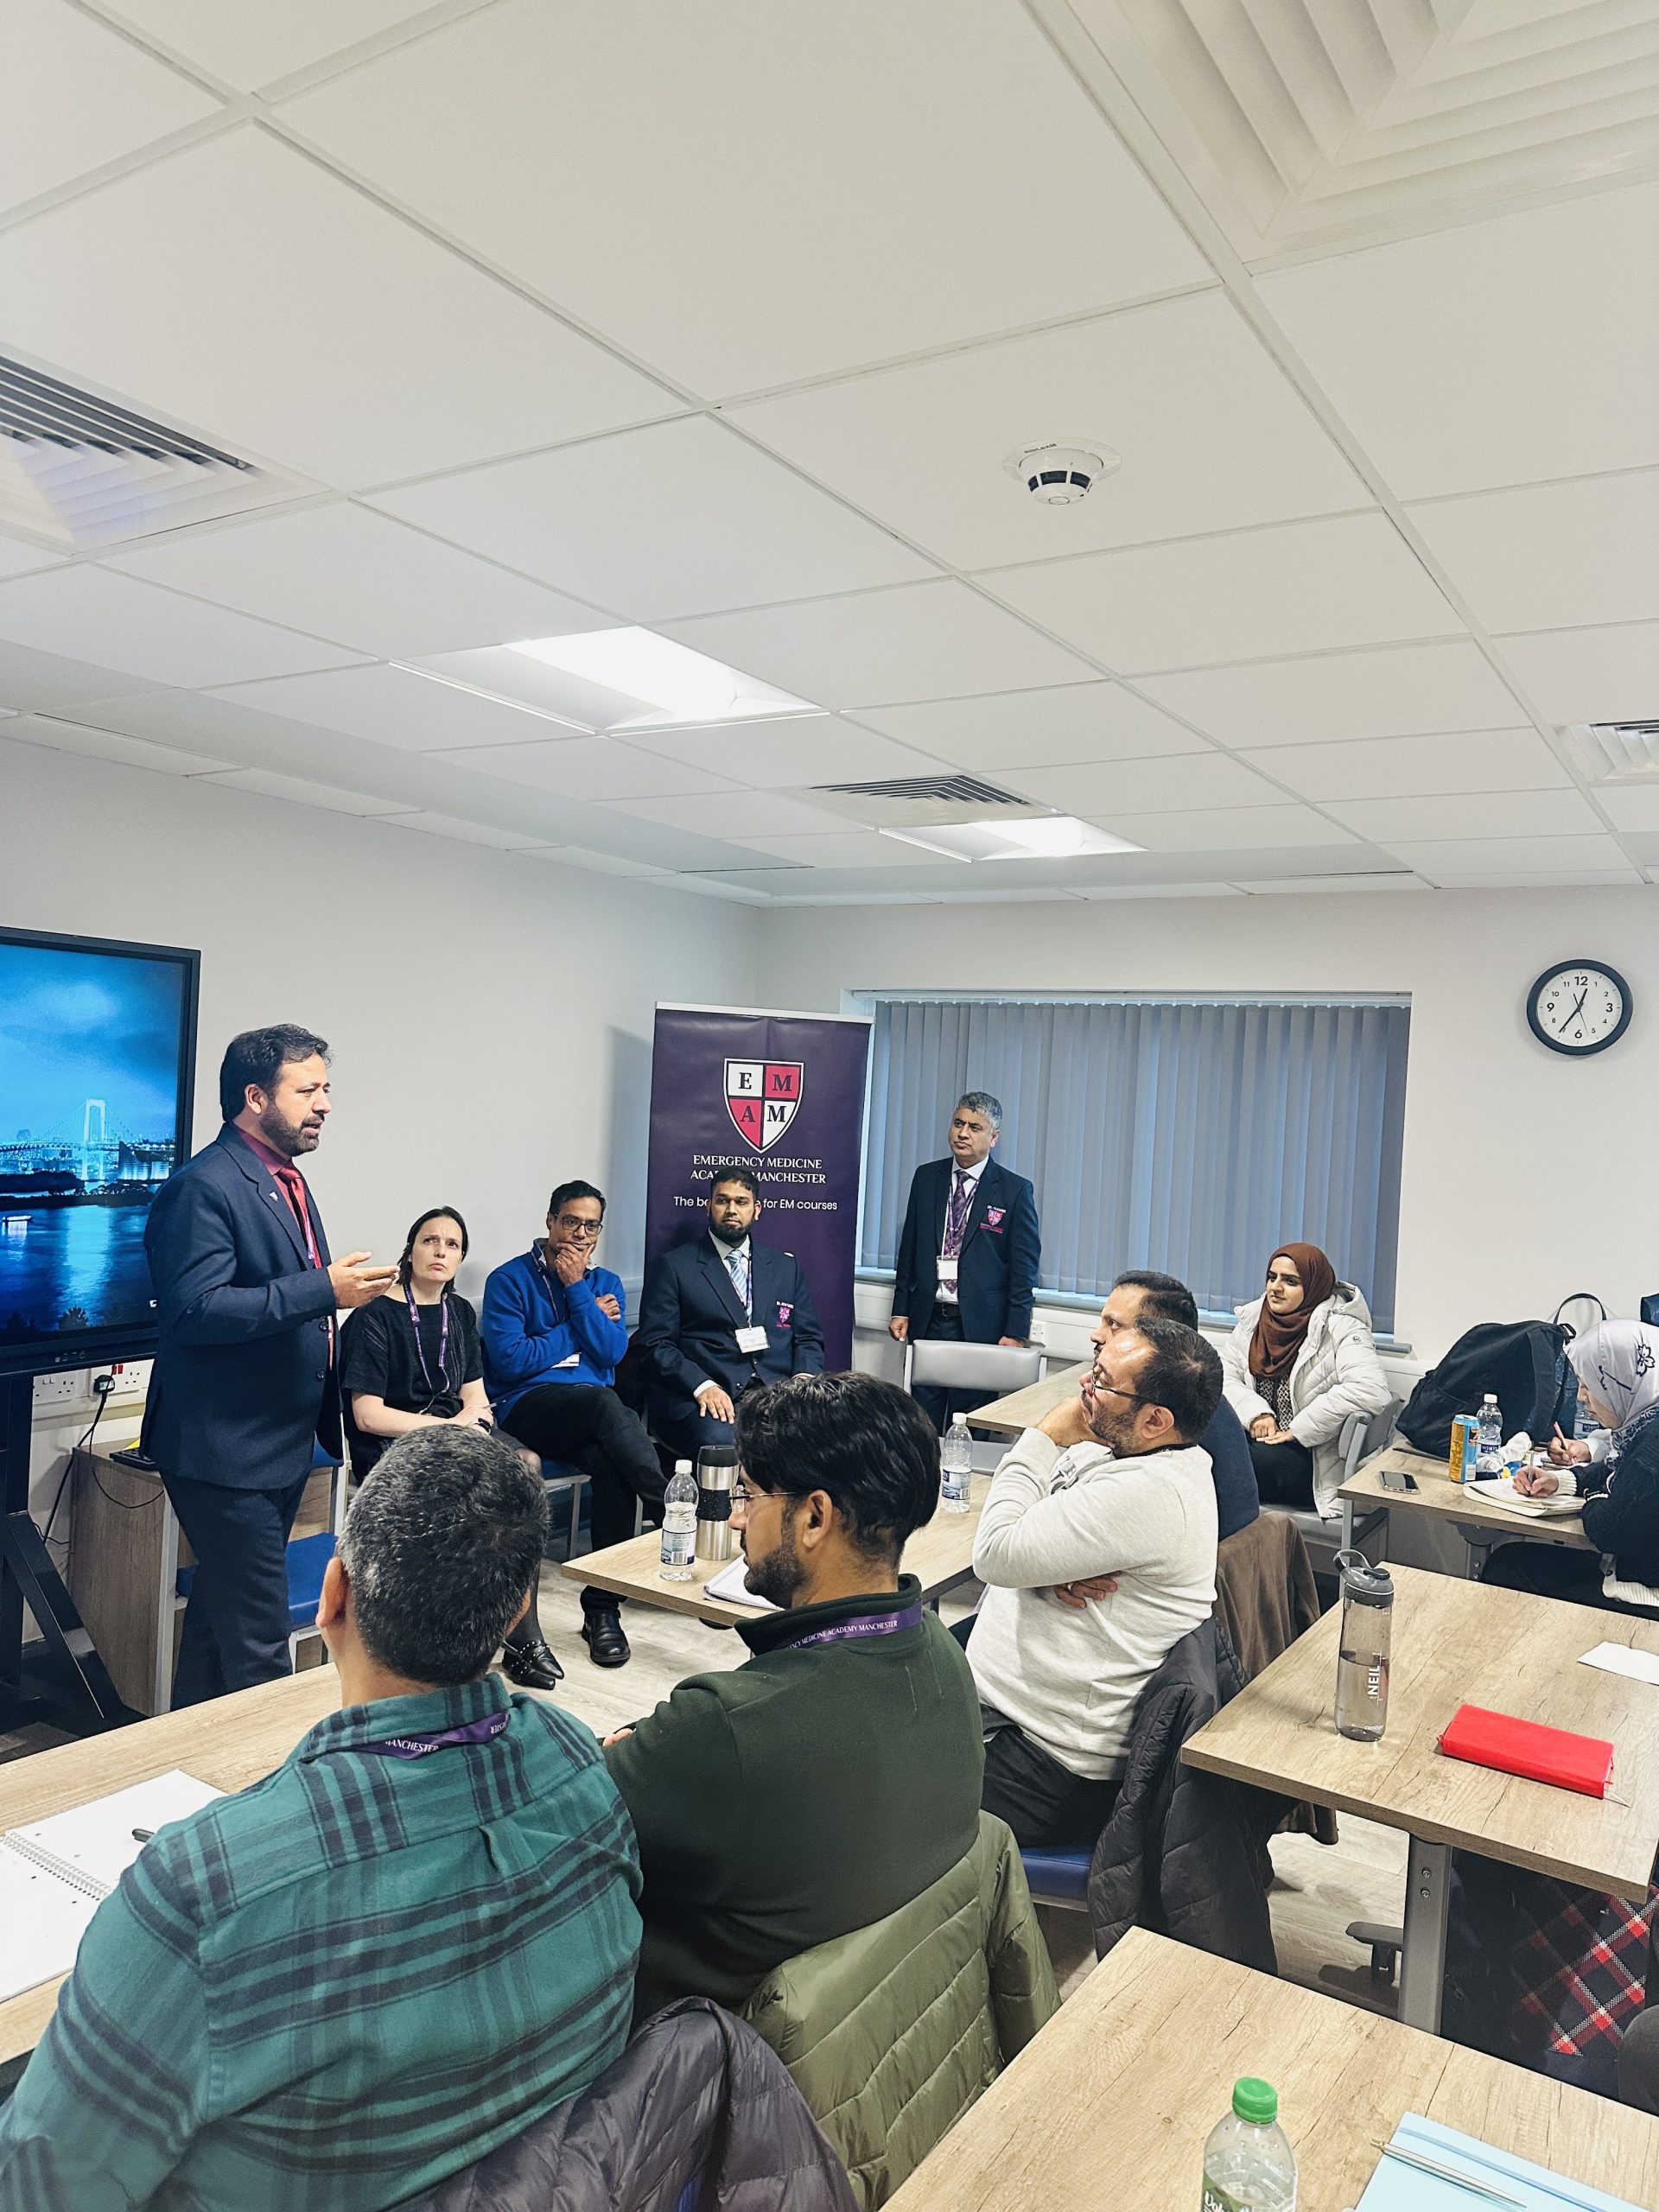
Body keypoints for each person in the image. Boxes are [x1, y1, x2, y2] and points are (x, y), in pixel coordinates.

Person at [0, 1427, 644, 2212]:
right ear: (516, 1615)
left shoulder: (201, 1892)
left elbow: (40, 2187)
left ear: (333, 1594)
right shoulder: (578, 1761)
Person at [603, 1371, 983, 2020]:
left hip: (684, 2043)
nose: (737, 1517)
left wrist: (647, 1749)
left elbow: (564, 1817)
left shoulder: (727, 1727)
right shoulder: (945, 1657)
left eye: (751, 1495)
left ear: (814, 1517)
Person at [141, 1024, 397, 1706]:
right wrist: (324, 1290)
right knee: (259, 1645)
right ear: (256, 1097)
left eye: (325, 1089)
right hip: (225, 1448)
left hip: (275, 1441)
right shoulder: (203, 1186)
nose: (325, 1104)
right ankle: (281, 1772)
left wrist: (330, 1293)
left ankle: (188, 1752)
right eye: (307, 1091)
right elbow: (194, 1311)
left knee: (217, 1624)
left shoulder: (285, 1177)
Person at [967, 1319, 1223, 1849]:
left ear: (1155, 1419)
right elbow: (1026, 1534)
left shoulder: (1151, 1491)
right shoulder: (1122, 1449)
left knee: (855, 1768)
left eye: (1104, 1382)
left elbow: (993, 1553)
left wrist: (1043, 1436)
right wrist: (1047, 1568)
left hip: (1041, 1765)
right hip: (1012, 1719)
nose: (1084, 1386)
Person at [339, 1205, 564, 1688]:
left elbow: (475, 1395)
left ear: (461, 1258)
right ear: (410, 1250)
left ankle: (521, 1633)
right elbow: (367, 1415)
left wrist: (474, 1425)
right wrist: (451, 1429)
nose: (440, 1251)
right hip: (394, 1444)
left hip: (457, 1432)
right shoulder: (373, 1316)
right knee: (462, 1498)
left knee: (525, 1464)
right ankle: (454, 1637)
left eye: (452, 1245)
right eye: (430, 1241)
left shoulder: (458, 1312)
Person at [480, 1180, 666, 1669]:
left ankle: (602, 1611)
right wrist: (578, 1323)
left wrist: (578, 1290)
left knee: (612, 1462)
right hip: (527, 1407)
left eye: (591, 1226)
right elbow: (513, 1361)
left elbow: (611, 1354)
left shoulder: (603, 1283)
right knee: (605, 1404)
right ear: (550, 1221)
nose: (581, 1234)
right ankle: (670, 1512)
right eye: (571, 1222)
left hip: (590, 1414)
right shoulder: (508, 1280)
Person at [635, 1166, 826, 1461]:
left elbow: (808, 1338)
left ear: (756, 1210)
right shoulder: (673, 1267)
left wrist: (801, 1384)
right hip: (705, 1395)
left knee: (827, 1440)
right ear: (708, 1206)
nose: (731, 1210)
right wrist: (702, 1386)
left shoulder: (785, 1267)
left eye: (741, 1202)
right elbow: (655, 1345)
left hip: (775, 1396)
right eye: (723, 1200)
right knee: (727, 1445)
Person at [1484, 1318, 1659, 1618]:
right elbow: (1617, 1475)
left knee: (1509, 1574)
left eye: (1590, 1385)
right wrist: (1561, 1481)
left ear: (1622, 1382)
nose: (1581, 1396)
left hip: (1642, 1599)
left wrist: (1594, 1496)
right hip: (1628, 1574)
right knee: (1507, 1562)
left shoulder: (1653, 1443)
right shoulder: (1644, 1425)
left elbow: (1611, 1530)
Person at [887, 1090, 1041, 1428]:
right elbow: (909, 1248)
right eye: (958, 1124)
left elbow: (1024, 1269)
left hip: (980, 1327)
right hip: (929, 1319)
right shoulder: (927, 1178)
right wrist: (901, 1308)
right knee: (922, 1424)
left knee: (972, 1425)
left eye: (974, 1127)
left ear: (993, 1137)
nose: (963, 1133)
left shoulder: (1014, 1191)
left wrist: (1016, 1332)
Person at [1218, 1243, 1389, 1517]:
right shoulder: (1254, 1319)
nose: (1275, 1288)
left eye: (1290, 1281)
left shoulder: (1341, 1327)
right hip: (1257, 1441)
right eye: (1272, 1277)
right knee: (1201, 1444)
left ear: (1313, 1287)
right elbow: (1223, 1376)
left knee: (1222, 1462)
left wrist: (1299, 1429)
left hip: (1314, 1461)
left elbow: (1371, 1390)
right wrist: (1257, 1414)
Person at [1096, 1270, 1258, 1541]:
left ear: (1159, 1337)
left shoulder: (1159, 1417)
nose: (1097, 1335)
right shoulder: (1195, 1396)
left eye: (1114, 1325)